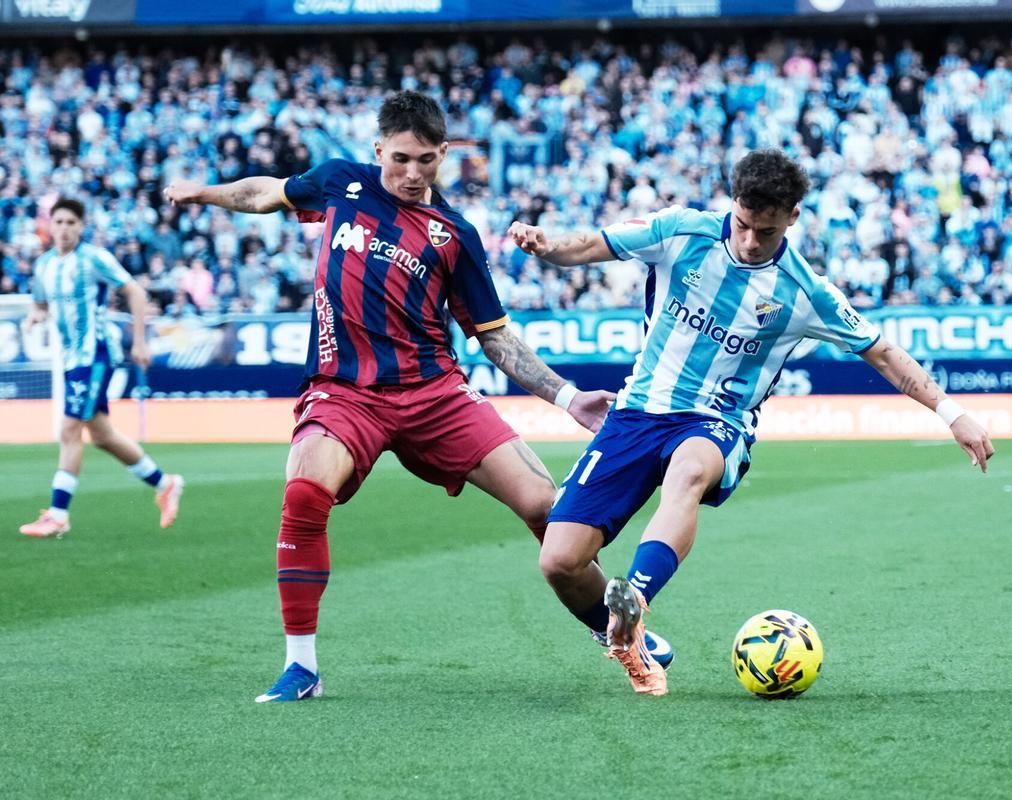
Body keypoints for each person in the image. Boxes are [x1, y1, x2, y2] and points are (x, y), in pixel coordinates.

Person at [164, 90, 671, 703]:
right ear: (379, 149)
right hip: (345, 391)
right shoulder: (340, 183)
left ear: (444, 154)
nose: (412, 173)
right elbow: (265, 193)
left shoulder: (455, 234)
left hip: (435, 394)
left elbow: (494, 336)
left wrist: (566, 397)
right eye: (400, 158)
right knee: (303, 492)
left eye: (426, 160)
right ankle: (302, 667)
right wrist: (204, 193)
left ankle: (618, 630)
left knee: (547, 506)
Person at [508, 149, 995, 696]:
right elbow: (590, 245)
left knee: (689, 472)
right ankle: (629, 638)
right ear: (732, 203)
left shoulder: (804, 290)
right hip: (636, 413)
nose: (749, 241)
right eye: (742, 224)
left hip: (717, 422)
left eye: (766, 231)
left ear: (793, 217)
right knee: (560, 561)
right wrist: (547, 245)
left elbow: (882, 353)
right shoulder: (680, 231)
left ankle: (636, 597)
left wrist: (952, 413)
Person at [19, 197, 185, 539]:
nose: (64, 229)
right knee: (102, 436)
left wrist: (140, 342)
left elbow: (135, 292)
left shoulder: (94, 258)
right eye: (59, 222)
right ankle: (165, 483)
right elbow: (40, 303)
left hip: (95, 354)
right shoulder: (45, 265)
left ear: (81, 227)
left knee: (69, 430)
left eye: (71, 223)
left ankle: (58, 514)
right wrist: (35, 317)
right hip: (70, 359)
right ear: (50, 226)